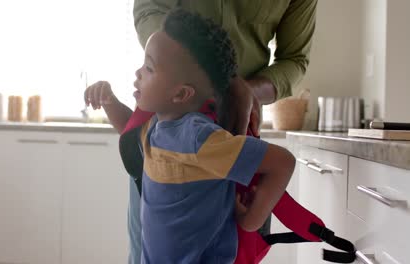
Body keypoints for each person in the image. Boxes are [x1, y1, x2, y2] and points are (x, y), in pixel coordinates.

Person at [85, 9, 296, 263]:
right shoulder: (159, 126)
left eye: (149, 68)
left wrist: (252, 222)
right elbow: (130, 131)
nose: (138, 73)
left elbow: (283, 162)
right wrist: (109, 102)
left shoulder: (201, 139)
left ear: (181, 94)